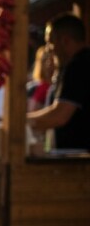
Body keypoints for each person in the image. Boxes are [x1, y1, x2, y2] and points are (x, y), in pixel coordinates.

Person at [28, 13, 90, 151]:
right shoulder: (76, 65)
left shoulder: (79, 66)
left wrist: (20, 122)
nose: (48, 49)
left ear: (65, 41)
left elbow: (59, 116)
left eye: (50, 42)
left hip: (80, 160)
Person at [27, 45, 56, 113]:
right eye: (44, 60)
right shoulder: (32, 88)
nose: (48, 64)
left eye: (52, 59)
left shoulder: (57, 87)